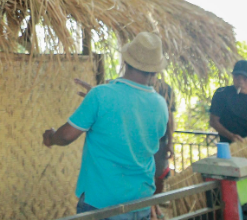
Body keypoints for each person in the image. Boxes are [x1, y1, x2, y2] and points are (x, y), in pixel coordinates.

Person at [43, 32, 169, 220]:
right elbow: (158, 152)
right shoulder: (160, 104)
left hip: (102, 205)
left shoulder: (101, 95)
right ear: (154, 70)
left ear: (125, 61)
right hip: (140, 203)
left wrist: (51, 137)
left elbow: (66, 136)